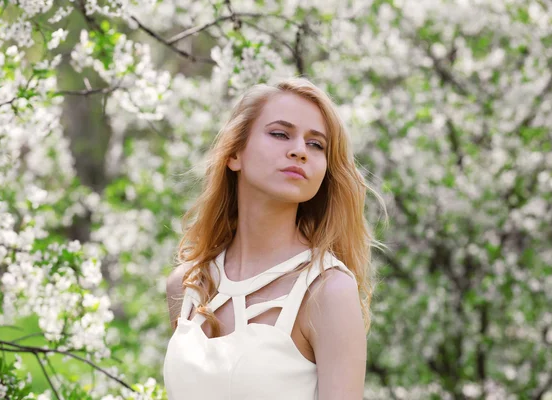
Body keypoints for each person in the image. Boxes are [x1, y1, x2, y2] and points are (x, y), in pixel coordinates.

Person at [164, 76, 387, 400]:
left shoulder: (327, 289)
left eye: (316, 144)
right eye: (280, 134)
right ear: (234, 154)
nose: (299, 151)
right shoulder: (185, 285)